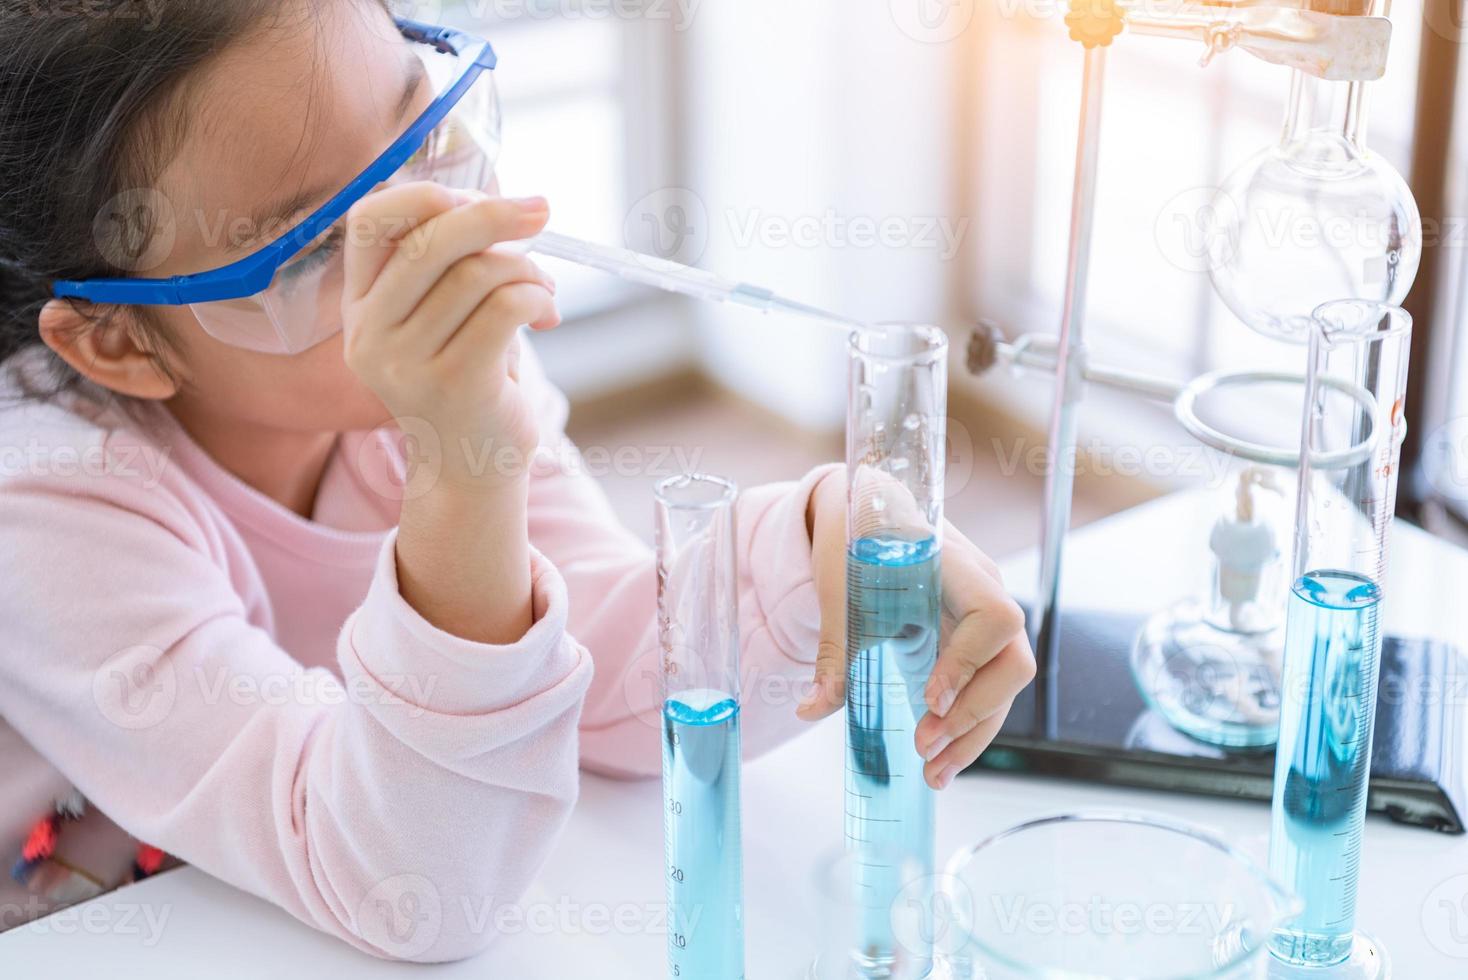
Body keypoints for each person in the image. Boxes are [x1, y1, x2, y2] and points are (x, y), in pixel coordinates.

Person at [0, 0, 1034, 961]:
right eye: (321, 244)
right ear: (116, 337)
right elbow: (421, 891)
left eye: (427, 126)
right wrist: (460, 465)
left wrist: (819, 542)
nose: (434, 238)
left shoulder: (416, 378)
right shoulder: (44, 506)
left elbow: (608, 665)